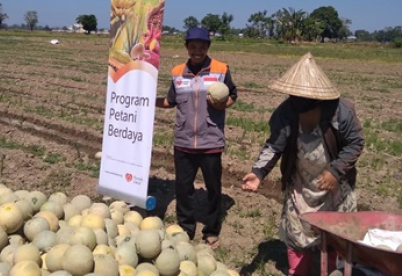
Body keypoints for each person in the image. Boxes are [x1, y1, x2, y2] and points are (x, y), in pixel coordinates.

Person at [241, 52, 365, 276]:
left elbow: (355, 143)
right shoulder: (286, 113)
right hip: (301, 183)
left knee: (338, 233)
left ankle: (336, 271)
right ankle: (299, 272)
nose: (296, 101)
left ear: (317, 97)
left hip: (336, 186)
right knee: (297, 232)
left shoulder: (341, 112)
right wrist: (258, 173)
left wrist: (335, 171)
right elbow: (273, 146)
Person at [156, 27, 237, 249]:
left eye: (202, 47)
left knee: (213, 188)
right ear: (187, 47)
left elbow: (233, 95)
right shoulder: (177, 72)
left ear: (207, 47)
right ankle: (185, 229)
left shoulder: (221, 69)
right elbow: (170, 101)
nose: (197, 51)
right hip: (183, 141)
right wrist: (147, 100)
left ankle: (211, 231)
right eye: (193, 47)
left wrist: (223, 104)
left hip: (210, 140)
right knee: (183, 188)